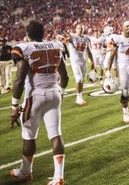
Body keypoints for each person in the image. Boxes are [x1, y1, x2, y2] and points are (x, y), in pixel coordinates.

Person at [9, 20, 69, 185]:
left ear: (28, 35)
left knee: (28, 135)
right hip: (54, 93)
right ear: (44, 34)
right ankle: (58, 177)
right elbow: (65, 76)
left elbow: (19, 80)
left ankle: (26, 171)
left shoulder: (25, 48)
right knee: (55, 134)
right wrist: (61, 92)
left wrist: (14, 106)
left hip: (35, 96)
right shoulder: (56, 45)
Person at [64, 24, 94, 106]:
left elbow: (88, 51)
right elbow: (66, 40)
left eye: (81, 28)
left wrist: (92, 62)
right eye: (78, 28)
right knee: (79, 79)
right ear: (76, 29)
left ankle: (80, 96)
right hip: (75, 61)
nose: (80, 29)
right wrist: (67, 39)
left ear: (84, 29)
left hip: (83, 62)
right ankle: (78, 98)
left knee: (82, 80)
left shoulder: (87, 38)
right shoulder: (72, 36)